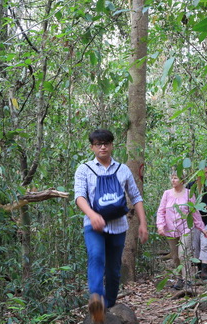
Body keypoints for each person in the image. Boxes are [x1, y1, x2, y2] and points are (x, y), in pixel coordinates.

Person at [74, 129, 148, 324]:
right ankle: (96, 301)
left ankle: (109, 305)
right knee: (96, 256)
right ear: (92, 147)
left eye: (106, 143)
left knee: (114, 269)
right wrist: (92, 215)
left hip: (118, 227)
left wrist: (143, 224)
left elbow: (136, 196)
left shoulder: (122, 169)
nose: (103, 147)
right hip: (94, 226)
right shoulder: (84, 169)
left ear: (112, 145)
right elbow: (79, 197)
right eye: (98, 144)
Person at [156, 171, 207, 290]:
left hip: (186, 228)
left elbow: (195, 212)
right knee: (175, 256)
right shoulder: (167, 194)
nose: (173, 180)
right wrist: (160, 226)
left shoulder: (189, 194)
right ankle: (179, 279)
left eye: (175, 178)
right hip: (170, 230)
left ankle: (188, 280)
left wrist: (202, 228)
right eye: (172, 178)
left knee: (183, 254)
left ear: (182, 180)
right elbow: (161, 211)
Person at [186, 166, 207, 279]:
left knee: (205, 245)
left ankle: (205, 270)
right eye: (205, 173)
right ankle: (199, 271)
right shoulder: (190, 186)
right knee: (195, 246)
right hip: (194, 222)